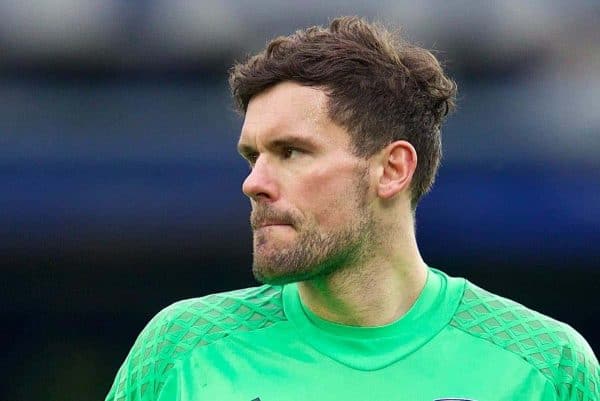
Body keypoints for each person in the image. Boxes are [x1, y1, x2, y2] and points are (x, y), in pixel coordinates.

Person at [105, 16, 598, 401]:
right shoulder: (182, 351)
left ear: (392, 169)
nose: (253, 183)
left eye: (291, 152)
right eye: (253, 157)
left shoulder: (546, 365)